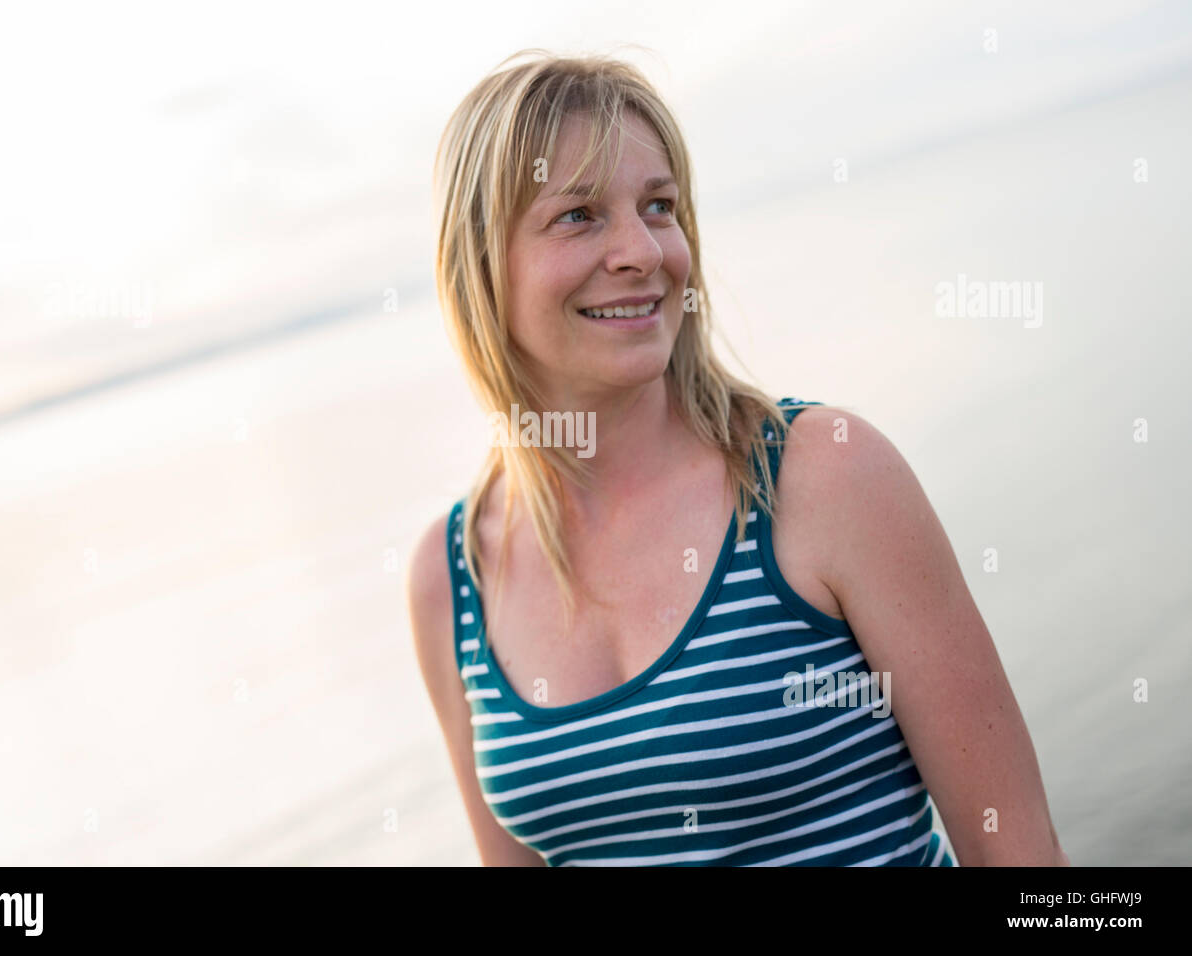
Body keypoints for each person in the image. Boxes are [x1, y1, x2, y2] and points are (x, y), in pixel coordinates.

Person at [407, 49, 1069, 867]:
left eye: (659, 206)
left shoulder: (825, 476)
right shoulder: (450, 576)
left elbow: (1025, 862)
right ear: (479, 265)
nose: (644, 251)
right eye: (579, 214)